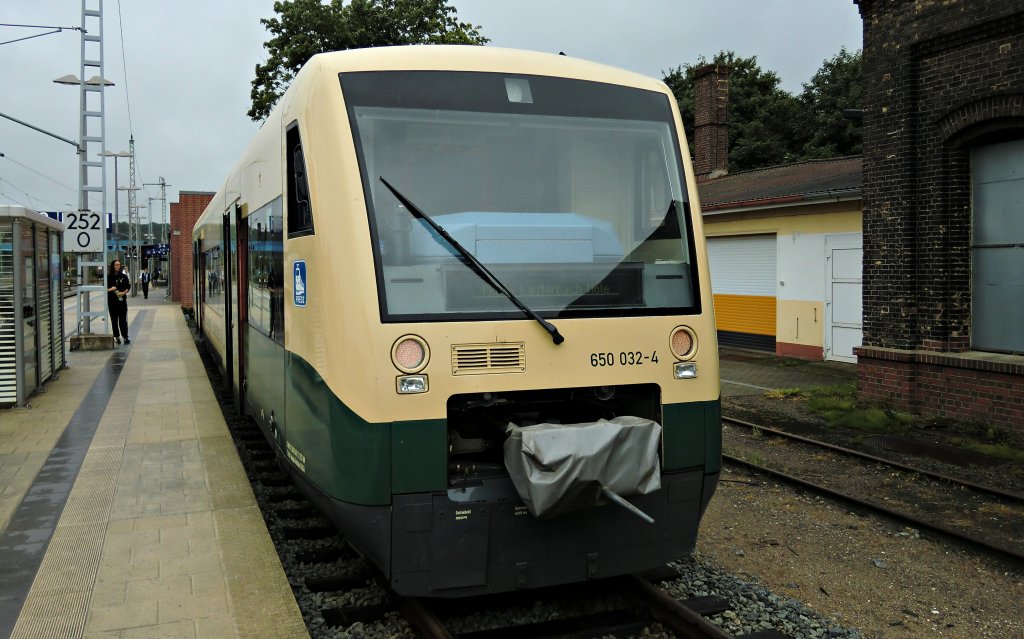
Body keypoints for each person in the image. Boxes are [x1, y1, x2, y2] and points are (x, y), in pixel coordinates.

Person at [107, 259, 131, 344]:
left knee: (123, 320)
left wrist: (123, 293)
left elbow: (128, 287)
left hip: (122, 302)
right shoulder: (108, 277)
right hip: (112, 303)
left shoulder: (123, 276)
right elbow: (104, 289)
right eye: (116, 265)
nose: (118, 266)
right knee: (114, 320)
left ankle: (125, 337)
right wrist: (111, 289)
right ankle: (117, 337)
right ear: (113, 266)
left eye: (119, 264)